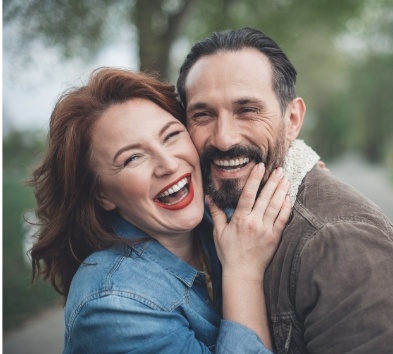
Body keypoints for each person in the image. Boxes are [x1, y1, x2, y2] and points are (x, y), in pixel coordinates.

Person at [29, 67, 292, 353]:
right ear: (102, 194)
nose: (168, 164)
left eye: (171, 136)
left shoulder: (214, 214)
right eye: (132, 158)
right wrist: (243, 272)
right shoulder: (114, 304)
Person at [176, 27, 393, 353]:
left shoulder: (340, 240)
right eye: (203, 114)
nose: (223, 138)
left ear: (292, 120)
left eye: (247, 110)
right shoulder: (205, 213)